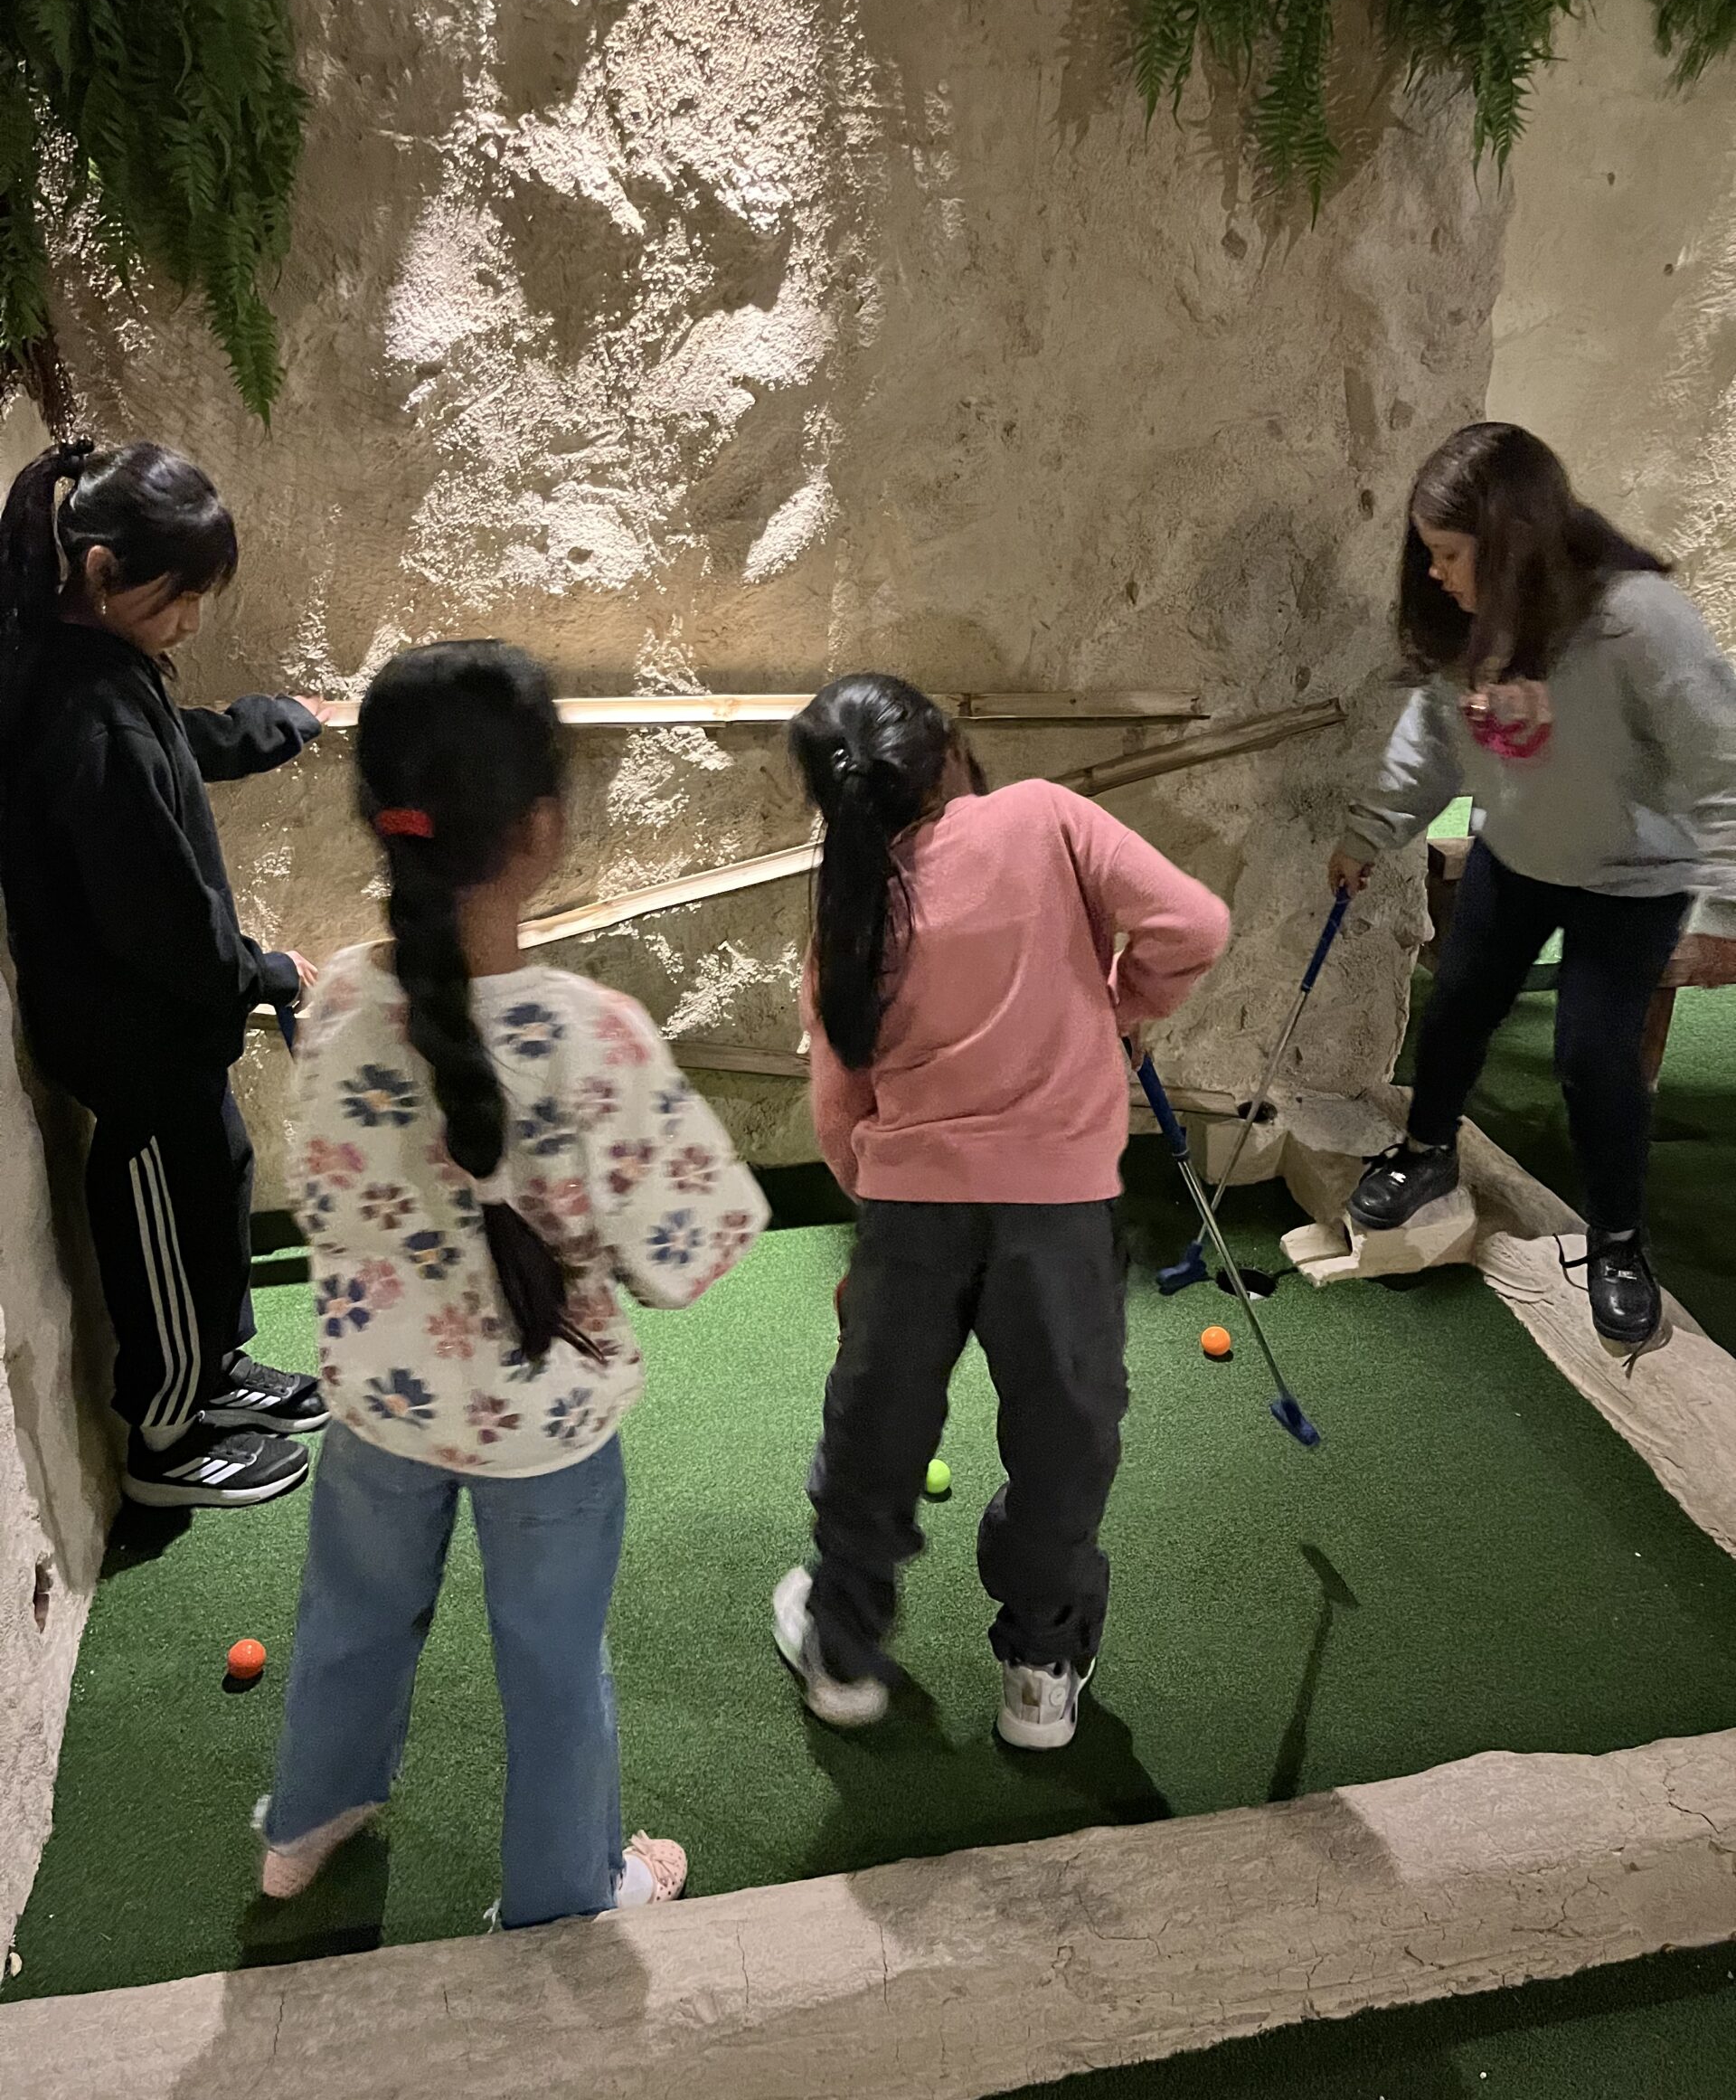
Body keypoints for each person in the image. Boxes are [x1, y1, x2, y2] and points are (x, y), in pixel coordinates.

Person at [260, 640, 768, 1925]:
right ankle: (565, 1890)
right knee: (553, 1667)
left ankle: (307, 1824)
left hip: (377, 1405)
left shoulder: (337, 1004)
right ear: (540, 830)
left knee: (350, 1621)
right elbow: (692, 1251)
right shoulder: (596, 1040)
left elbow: (323, 1188)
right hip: (543, 1432)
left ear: (384, 822)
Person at [774, 674, 1230, 1750]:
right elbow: (1194, 925)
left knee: (877, 1430)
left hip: (910, 1213)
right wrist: (1120, 1006)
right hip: (1061, 1209)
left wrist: (879, 1206)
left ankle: (844, 1648)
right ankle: (1042, 1661)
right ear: (948, 754)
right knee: (1065, 1436)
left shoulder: (847, 908)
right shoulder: (1043, 814)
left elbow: (841, 1111)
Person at [1331, 422, 1736, 1347]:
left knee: (1594, 1062)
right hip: (1518, 854)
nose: (1433, 572)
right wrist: (1371, 830)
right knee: (1457, 1009)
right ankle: (1427, 1151)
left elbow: (1724, 759)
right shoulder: (1468, 626)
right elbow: (1431, 740)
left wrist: (1722, 907)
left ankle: (1620, 1241)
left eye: (1449, 553)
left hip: (1632, 877)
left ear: (1510, 542)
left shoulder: (1637, 620)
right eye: (1428, 552)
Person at [0, 439, 329, 1509]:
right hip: (131, 1040)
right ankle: (166, 1435)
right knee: (158, 1216)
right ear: (100, 571)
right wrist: (264, 969)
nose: (191, 619)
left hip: (171, 1032)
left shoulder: (100, 669)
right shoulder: (77, 707)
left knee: (216, 1180)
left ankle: (218, 1366)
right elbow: (160, 918)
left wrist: (257, 730)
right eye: (178, 596)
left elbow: (166, 746)